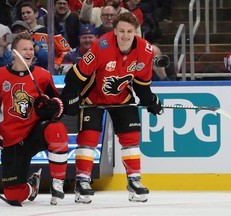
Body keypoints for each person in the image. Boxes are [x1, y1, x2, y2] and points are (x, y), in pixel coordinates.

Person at [61, 12, 163, 204]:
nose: (125, 35)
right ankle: (82, 181)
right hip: (93, 97)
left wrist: (150, 100)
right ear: (115, 31)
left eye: (129, 31)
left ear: (136, 32)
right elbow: (76, 75)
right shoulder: (101, 46)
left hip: (122, 98)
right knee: (89, 138)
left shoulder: (145, 50)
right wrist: (70, 96)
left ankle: (134, 181)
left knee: (131, 137)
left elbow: (141, 83)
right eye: (122, 31)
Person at [0, 33, 68, 205]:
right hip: (11, 139)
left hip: (34, 132)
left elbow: (59, 106)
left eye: (31, 49)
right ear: (14, 52)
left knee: (56, 129)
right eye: (24, 49)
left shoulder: (42, 75)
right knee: (14, 196)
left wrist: (53, 108)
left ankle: (58, 182)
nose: (29, 52)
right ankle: (31, 186)